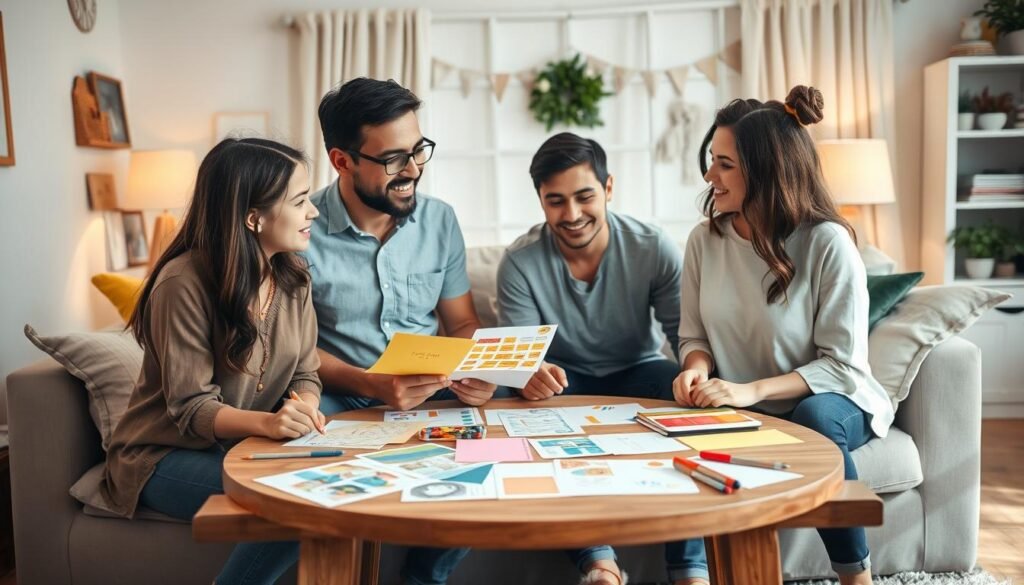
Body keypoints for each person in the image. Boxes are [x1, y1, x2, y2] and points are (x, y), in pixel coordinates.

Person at [673, 85, 895, 585]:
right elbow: (693, 337)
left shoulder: (826, 242)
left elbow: (840, 363)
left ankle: (855, 576)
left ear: (766, 169)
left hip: (835, 394)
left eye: (725, 164)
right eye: (712, 161)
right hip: (738, 398)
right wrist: (695, 372)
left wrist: (751, 389)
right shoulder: (703, 241)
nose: (710, 176)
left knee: (815, 416)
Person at [100, 137, 325, 585]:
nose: (313, 212)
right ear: (253, 217)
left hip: (241, 450)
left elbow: (305, 370)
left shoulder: (293, 276)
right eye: (300, 201)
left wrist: (304, 404)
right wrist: (268, 425)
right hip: (161, 456)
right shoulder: (181, 284)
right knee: (297, 503)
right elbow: (191, 407)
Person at [302, 77, 495, 585]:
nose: (412, 171)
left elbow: (461, 324)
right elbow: (292, 350)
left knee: (491, 462)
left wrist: (474, 369)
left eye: (418, 151)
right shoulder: (301, 231)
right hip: (339, 397)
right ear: (342, 160)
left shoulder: (440, 221)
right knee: (306, 468)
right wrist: (369, 383)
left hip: (433, 395)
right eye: (393, 159)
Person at [495, 132, 708, 585]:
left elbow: (684, 337)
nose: (571, 215)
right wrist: (526, 377)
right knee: (521, 428)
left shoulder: (653, 247)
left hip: (639, 369)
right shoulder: (519, 262)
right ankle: (600, 564)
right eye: (555, 201)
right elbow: (518, 362)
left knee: (691, 407)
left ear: (609, 188)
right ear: (540, 200)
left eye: (584, 196)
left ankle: (691, 571)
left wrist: (694, 373)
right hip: (563, 382)